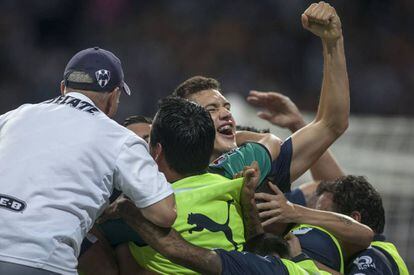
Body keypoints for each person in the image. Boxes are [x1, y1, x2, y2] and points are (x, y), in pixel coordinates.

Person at [0, 47, 176, 275]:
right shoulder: (119, 138)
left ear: (63, 88)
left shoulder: (13, 117)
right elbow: (164, 213)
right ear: (114, 96)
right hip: (41, 260)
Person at [173, 0, 350, 196]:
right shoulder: (162, 182)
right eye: (211, 110)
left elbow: (332, 124)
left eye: (227, 107)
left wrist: (333, 42)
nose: (225, 114)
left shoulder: (255, 173)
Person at [315, 176, 409, 275]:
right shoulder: (381, 255)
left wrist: (306, 262)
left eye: (325, 216)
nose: (314, 225)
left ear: (353, 220)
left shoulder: (371, 257)